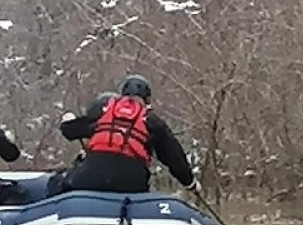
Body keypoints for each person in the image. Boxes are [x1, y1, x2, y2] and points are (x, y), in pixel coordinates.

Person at [56, 74, 199, 194]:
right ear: (147, 100)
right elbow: (174, 157)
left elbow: (70, 131)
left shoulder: (105, 113)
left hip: (91, 176)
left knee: (58, 184)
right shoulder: (152, 121)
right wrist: (190, 183)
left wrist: (67, 123)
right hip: (131, 183)